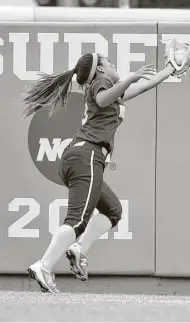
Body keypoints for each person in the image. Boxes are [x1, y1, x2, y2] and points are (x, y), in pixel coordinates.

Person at [23, 53, 176, 293]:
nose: (113, 63)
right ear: (100, 70)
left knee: (113, 210)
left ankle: (79, 248)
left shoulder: (107, 88)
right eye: (108, 61)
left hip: (79, 156)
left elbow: (143, 86)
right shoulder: (100, 84)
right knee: (76, 221)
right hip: (88, 156)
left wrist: (169, 70)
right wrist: (131, 76)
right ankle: (43, 265)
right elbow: (104, 99)